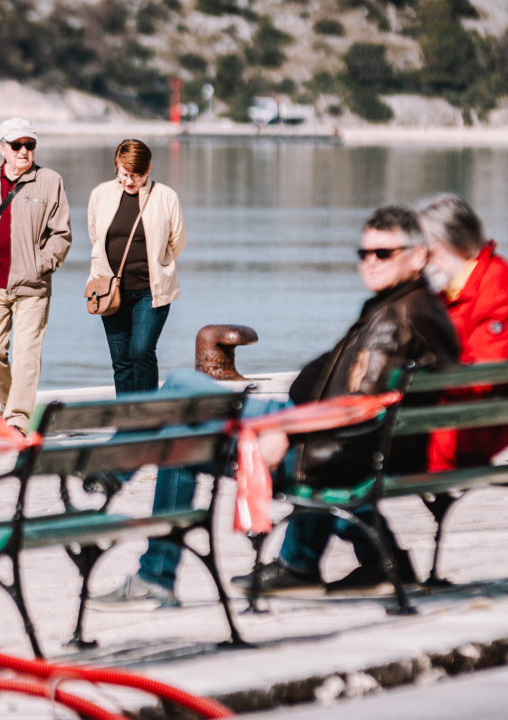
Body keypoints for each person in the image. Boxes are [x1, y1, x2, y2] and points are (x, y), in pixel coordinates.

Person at [90, 205, 459, 608]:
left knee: (180, 423)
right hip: (349, 439)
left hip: (329, 449)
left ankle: (147, 558)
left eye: (383, 253)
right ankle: (340, 563)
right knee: (184, 387)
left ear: (418, 256)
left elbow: (351, 409)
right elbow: (337, 383)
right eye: (364, 254)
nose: (370, 263)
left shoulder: (394, 319)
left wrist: (284, 431)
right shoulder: (404, 306)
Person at [414, 193, 508, 472]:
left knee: (334, 445)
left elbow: (482, 379)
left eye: (427, 253)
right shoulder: (453, 291)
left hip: (463, 432)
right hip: (439, 422)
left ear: (453, 244)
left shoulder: (500, 289)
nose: (421, 263)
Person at [0, 118, 72, 433]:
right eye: (16, 145)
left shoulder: (50, 181)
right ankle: (10, 405)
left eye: (30, 145)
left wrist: (42, 264)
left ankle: (18, 419)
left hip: (31, 287)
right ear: (1, 147)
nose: (24, 151)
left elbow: (61, 233)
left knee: (26, 356)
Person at [87, 139, 186, 395]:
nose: (130, 181)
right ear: (116, 168)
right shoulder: (101, 195)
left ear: (149, 169)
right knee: (121, 361)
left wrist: (157, 263)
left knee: (141, 351)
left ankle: (148, 420)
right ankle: (127, 426)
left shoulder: (166, 197)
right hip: (110, 291)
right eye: (124, 174)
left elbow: (177, 241)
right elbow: (95, 237)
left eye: (137, 175)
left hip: (150, 292)